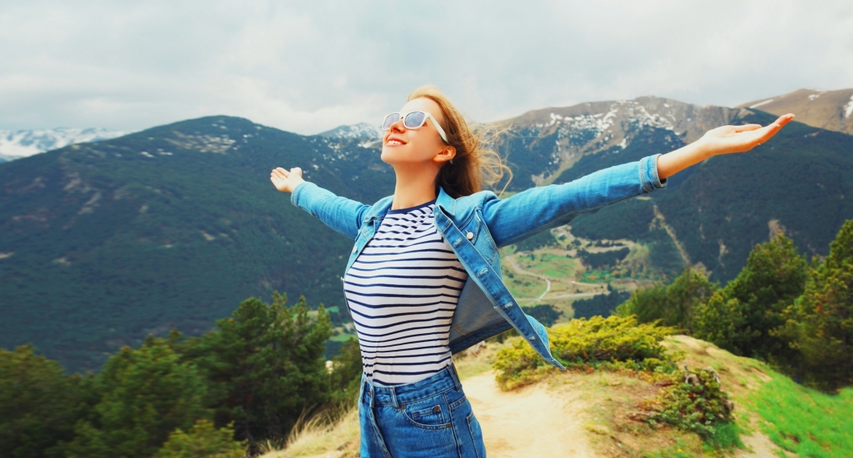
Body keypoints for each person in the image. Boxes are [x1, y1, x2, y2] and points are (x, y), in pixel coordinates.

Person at [270, 85, 792, 458]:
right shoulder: (371, 220)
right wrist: (297, 187)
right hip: (371, 405)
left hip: (429, 414)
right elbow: (325, 201)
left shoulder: (468, 220)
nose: (395, 125)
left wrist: (696, 150)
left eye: (413, 120)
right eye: (393, 117)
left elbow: (570, 196)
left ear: (444, 150)